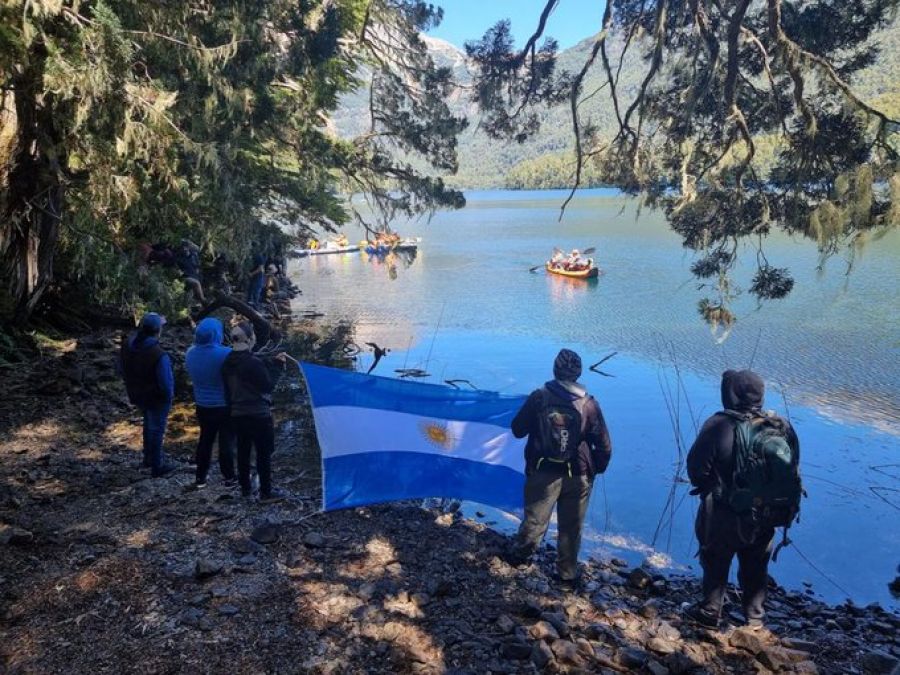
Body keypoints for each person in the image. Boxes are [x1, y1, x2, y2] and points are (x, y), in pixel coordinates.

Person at [684, 369, 801, 630]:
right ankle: (755, 618)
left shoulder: (719, 424)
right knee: (756, 562)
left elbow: (696, 469)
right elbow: (794, 468)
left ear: (731, 394)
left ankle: (710, 611)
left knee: (716, 556)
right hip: (769, 512)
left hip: (726, 510)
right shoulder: (781, 426)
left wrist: (708, 486)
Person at [507, 349, 612, 590]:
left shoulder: (539, 398)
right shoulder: (589, 405)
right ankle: (567, 573)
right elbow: (604, 445)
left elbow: (517, 429)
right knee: (571, 526)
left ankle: (520, 555)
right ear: (579, 374)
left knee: (535, 517)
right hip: (579, 473)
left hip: (543, 470)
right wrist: (597, 468)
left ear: (555, 371)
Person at [222, 322, 288, 503]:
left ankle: (245, 489)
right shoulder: (253, 363)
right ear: (250, 339)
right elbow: (267, 386)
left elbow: (231, 389)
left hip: (237, 414)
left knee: (243, 451)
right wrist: (278, 367)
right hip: (258, 415)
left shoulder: (227, 361)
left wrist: (271, 362)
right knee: (263, 454)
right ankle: (266, 493)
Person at [119, 313, 177, 477]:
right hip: (156, 397)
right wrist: (169, 397)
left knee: (148, 423)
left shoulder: (128, 345)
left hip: (137, 393)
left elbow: (121, 368)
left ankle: (148, 458)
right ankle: (157, 465)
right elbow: (165, 383)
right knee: (157, 429)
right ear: (157, 331)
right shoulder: (158, 354)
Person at [185, 318, 237, 489]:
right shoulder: (226, 353)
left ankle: (200, 477)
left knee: (205, 440)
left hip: (202, 405)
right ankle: (229, 477)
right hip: (223, 405)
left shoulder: (190, 353)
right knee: (226, 442)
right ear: (217, 334)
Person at [176, 239, 206, 304]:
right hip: (186, 277)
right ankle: (204, 301)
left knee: (187, 299)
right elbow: (176, 269)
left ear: (188, 247)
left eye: (186, 247)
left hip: (195, 277)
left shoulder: (194, 255)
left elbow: (197, 249)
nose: (184, 249)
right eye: (182, 247)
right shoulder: (179, 258)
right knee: (196, 283)